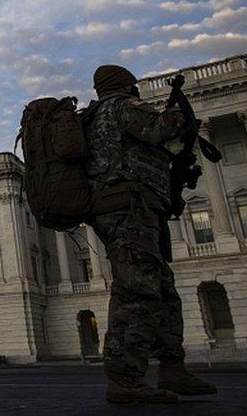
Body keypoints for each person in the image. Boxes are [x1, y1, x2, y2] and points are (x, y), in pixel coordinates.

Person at [85, 65, 217, 404]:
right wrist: (177, 114)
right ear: (127, 85)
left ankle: (173, 366)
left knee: (161, 288)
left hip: (135, 207)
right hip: (129, 208)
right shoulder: (120, 108)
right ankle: (124, 378)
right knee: (137, 288)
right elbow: (159, 129)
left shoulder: (97, 115)